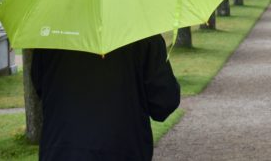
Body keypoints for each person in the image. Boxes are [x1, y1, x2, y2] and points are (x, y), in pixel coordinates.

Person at [31, 34, 181, 160]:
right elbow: (164, 103)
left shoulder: (50, 36)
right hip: (121, 149)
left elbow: (40, 87)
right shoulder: (144, 36)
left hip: (59, 150)